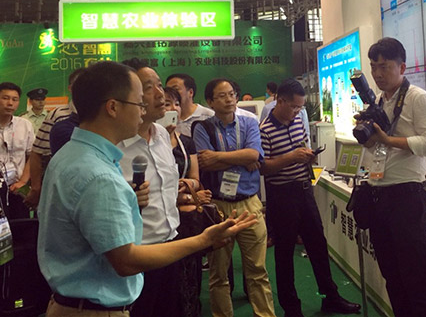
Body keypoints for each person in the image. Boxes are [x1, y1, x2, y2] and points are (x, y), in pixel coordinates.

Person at [37, 61, 256, 317]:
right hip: (99, 304)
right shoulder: (98, 173)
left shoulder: (73, 154)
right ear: (113, 107)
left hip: (87, 296)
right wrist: (204, 240)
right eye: (138, 102)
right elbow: (126, 260)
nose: (143, 110)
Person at [259, 78, 360, 317]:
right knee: (284, 254)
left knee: (318, 246)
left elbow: (302, 147)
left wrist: (308, 157)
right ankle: (291, 308)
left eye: (300, 107)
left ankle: (330, 297)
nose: (297, 112)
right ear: (279, 101)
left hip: (304, 191)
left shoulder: (298, 122)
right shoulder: (264, 130)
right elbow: (263, 168)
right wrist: (292, 157)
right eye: (294, 107)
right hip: (281, 196)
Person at [357, 37, 426, 317]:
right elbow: (378, 147)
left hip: (406, 198)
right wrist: (370, 138)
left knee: (414, 278)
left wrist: (388, 140)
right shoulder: (378, 101)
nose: (377, 74)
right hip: (378, 195)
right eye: (373, 67)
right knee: (391, 275)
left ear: (402, 67)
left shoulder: (419, 98)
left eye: (384, 67)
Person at [194, 78, 276, 317]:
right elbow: (205, 163)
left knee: (258, 270)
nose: (229, 99)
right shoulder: (203, 128)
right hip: (218, 206)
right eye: (222, 96)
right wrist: (242, 158)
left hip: (249, 204)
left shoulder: (249, 123)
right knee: (218, 274)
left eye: (231, 94)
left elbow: (254, 155)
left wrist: (220, 157)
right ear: (210, 101)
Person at [118, 58, 180, 317]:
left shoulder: (163, 135)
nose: (160, 94)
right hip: (135, 255)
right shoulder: (114, 144)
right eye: (148, 87)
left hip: (170, 246)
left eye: (160, 85)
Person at [163, 85, 210, 317]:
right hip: (162, 222)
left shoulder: (187, 142)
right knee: (169, 283)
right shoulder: (147, 143)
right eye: (166, 104)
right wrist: (185, 195)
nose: (173, 109)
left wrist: (187, 187)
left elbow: (196, 180)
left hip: (188, 219)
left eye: (176, 104)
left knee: (191, 276)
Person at [25, 68, 84, 209]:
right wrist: (36, 188)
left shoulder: (102, 114)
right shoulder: (57, 115)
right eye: (79, 84)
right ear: (70, 88)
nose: (85, 88)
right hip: (60, 186)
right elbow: (37, 152)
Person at [0, 82, 35, 220]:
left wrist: (23, 181)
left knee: (21, 225)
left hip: (18, 188)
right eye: (5, 98)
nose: (10, 103)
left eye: (14, 99)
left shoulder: (25, 125)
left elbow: (32, 156)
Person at [165, 73, 213, 137]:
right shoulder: (165, 117)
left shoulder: (208, 116)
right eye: (169, 90)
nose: (172, 93)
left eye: (176, 89)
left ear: (190, 92)